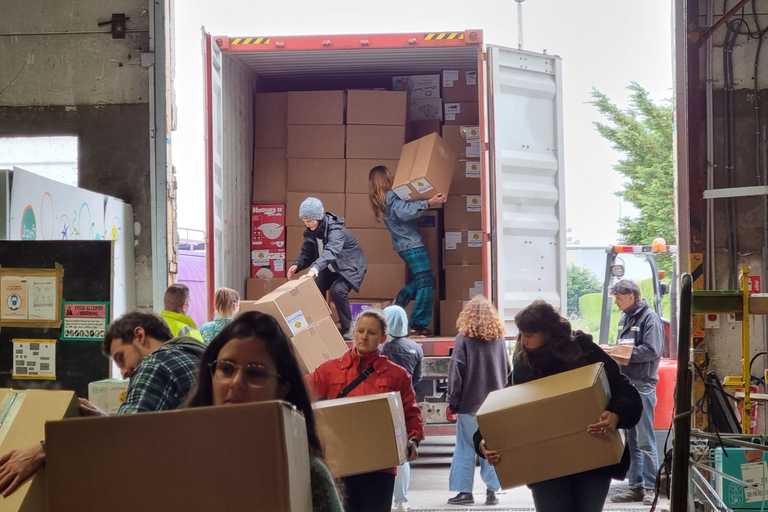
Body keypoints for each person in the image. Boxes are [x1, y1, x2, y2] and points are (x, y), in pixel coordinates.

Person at [0, 311, 204, 497]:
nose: (124, 373)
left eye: (120, 358)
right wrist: (106, 421)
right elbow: (154, 431)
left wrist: (43, 449)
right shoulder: (191, 355)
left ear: (140, 336)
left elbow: (125, 437)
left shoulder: (155, 363)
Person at [476, 300, 642, 512]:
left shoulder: (586, 353)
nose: (523, 341)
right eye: (521, 335)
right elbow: (504, 410)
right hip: (545, 467)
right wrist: (484, 441)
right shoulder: (523, 367)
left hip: (593, 461)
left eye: (529, 335)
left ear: (548, 333)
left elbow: (627, 394)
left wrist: (616, 415)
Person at [186, 311, 344, 512]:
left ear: (282, 387)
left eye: (255, 372)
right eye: (226, 368)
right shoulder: (181, 457)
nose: (236, 383)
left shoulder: (306, 473)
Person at [308, 310, 424, 512]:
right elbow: (302, 397)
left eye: (371, 332)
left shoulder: (397, 375)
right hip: (339, 467)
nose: (364, 336)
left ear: (382, 338)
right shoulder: (329, 371)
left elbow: (411, 413)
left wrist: (413, 440)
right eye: (360, 331)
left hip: (380, 468)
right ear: (354, 334)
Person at [368, 166, 446, 335]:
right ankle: (418, 324)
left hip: (404, 246)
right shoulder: (391, 196)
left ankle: (397, 305)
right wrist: (428, 202)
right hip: (412, 245)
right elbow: (405, 212)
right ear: (385, 178)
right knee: (426, 282)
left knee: (422, 279)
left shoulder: (380, 199)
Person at [446, 296, 508, 506]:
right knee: (491, 447)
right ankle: (492, 491)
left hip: (470, 405)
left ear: (467, 316)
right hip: (495, 405)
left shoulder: (463, 339)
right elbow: (507, 371)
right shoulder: (499, 340)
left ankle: (465, 492)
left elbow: (457, 373)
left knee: (465, 447)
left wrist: (452, 402)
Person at [608, 279, 663, 506]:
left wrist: (621, 352)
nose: (617, 303)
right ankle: (636, 487)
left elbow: (652, 350)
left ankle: (651, 488)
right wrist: (612, 350)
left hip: (642, 385)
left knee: (645, 440)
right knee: (632, 440)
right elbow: (625, 346)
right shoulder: (624, 319)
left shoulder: (650, 318)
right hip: (628, 386)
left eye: (619, 298)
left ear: (631, 295)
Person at [287, 197, 367, 339]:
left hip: (349, 266)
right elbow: (307, 253)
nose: (308, 224)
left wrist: (314, 269)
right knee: (315, 287)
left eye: (311, 220)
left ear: (320, 217)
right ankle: (322, 324)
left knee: (338, 290)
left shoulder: (336, 230)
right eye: (305, 221)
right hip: (330, 267)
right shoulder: (310, 232)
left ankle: (349, 329)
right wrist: (296, 265)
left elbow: (331, 251)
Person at [381, 305, 424, 512]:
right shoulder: (416, 347)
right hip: (405, 403)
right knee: (403, 453)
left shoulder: (383, 348)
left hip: (382, 403)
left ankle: (386, 499)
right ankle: (401, 500)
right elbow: (418, 378)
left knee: (383, 454)